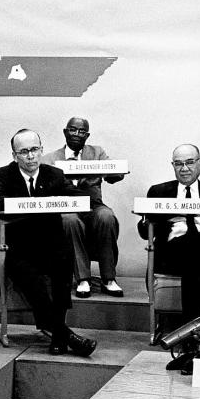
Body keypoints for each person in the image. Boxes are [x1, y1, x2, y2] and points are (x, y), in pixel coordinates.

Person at [0, 129, 98, 356]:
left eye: (34, 150)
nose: (30, 156)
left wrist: (63, 199)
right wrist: (35, 204)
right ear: (15, 155)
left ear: (42, 150)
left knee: (64, 259)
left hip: (46, 243)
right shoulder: (2, 175)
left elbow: (80, 197)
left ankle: (57, 334)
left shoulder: (53, 174)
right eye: (23, 152)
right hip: (13, 244)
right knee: (27, 272)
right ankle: (63, 335)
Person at [139, 144, 200, 331]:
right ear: (172, 165)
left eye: (190, 162)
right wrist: (146, 221)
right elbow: (144, 232)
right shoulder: (159, 192)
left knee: (196, 248)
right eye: (178, 164)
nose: (184, 168)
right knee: (193, 246)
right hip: (170, 253)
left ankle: (189, 331)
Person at [41, 117, 124, 298]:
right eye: (73, 130)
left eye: (81, 131)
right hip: (66, 206)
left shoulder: (97, 152)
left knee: (107, 216)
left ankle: (109, 278)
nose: (77, 134)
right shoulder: (49, 159)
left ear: (87, 135)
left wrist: (113, 173)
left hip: (93, 205)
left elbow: (115, 174)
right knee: (69, 220)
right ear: (65, 132)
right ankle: (83, 279)